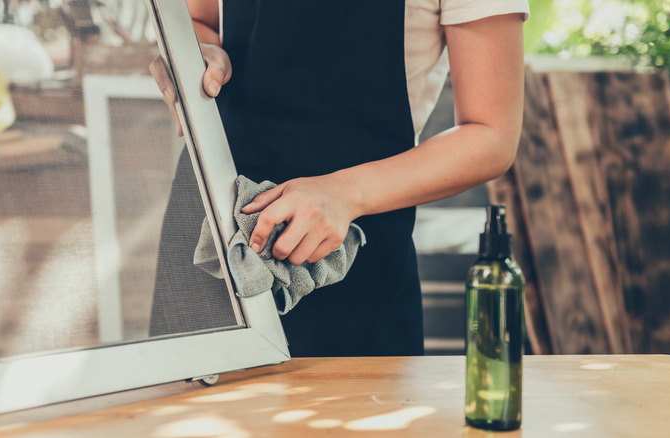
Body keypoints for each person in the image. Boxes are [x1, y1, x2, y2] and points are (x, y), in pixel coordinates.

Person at [149, 0, 530, 357]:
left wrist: (346, 194)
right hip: (210, 237)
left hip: (350, 260)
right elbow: (200, 18)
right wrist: (197, 53)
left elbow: (491, 135)